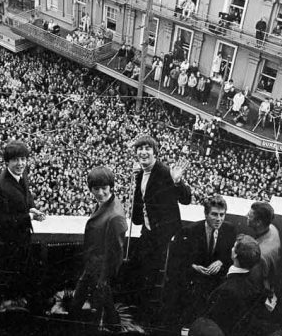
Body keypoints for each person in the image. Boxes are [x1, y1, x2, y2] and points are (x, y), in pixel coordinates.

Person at [130, 135, 191, 315]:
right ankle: (143, 309)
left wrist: (178, 181)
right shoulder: (141, 173)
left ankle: (152, 314)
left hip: (164, 236)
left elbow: (186, 199)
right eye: (140, 148)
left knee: (158, 276)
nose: (143, 152)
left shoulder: (165, 172)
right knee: (143, 271)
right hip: (148, 231)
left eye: (147, 148)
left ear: (155, 152)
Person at [0, 140, 46, 303]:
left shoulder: (21, 175)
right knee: (14, 277)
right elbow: (1, 220)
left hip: (23, 238)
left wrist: (32, 208)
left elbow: (27, 196)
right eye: (16, 160)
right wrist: (29, 217)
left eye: (23, 159)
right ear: (7, 162)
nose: (21, 163)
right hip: (11, 243)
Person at [71, 166, 128, 329]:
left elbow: (116, 252)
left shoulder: (115, 216)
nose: (101, 193)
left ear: (111, 187)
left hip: (100, 269)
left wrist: (104, 277)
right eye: (96, 188)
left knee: (97, 300)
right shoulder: (106, 203)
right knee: (99, 299)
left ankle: (113, 326)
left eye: (104, 188)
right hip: (93, 265)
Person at [170, 195, 236, 326]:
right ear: (205, 214)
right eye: (214, 214)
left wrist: (221, 261)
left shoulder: (230, 230)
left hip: (216, 285)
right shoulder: (189, 231)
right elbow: (176, 259)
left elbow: (231, 254)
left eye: (222, 215)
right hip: (194, 284)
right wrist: (193, 266)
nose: (219, 219)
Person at [200, 234, 264, 335]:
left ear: (235, 255)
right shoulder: (254, 281)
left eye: (234, 246)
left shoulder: (226, 291)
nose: (232, 248)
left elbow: (211, 323)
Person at [247, 202, 281, 303]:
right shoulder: (272, 229)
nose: (246, 216)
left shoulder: (259, 254)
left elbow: (253, 282)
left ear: (258, 223)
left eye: (249, 216)